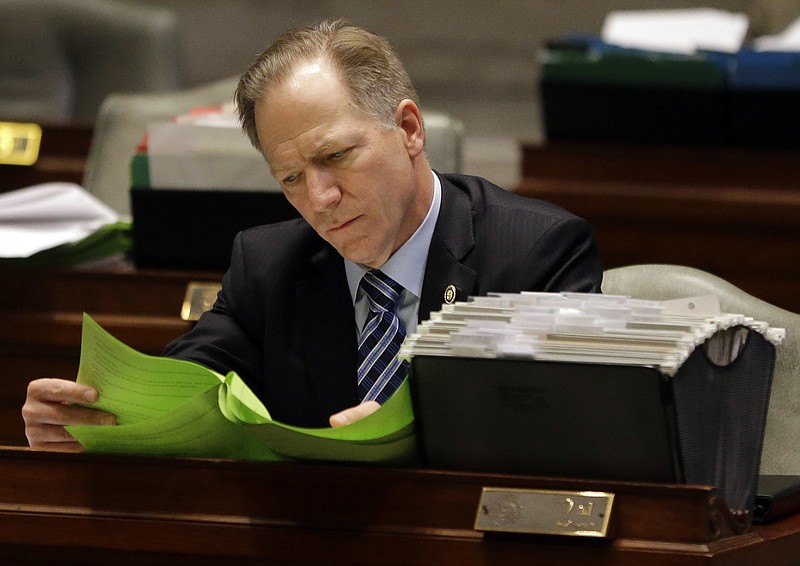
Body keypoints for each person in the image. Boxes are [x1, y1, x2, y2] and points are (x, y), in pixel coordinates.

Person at [22, 18, 603, 451]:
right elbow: (191, 379)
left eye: (336, 156)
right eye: (292, 177)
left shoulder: (535, 252)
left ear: (408, 128)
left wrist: (409, 433)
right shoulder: (269, 262)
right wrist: (105, 421)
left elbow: (562, 434)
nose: (319, 200)